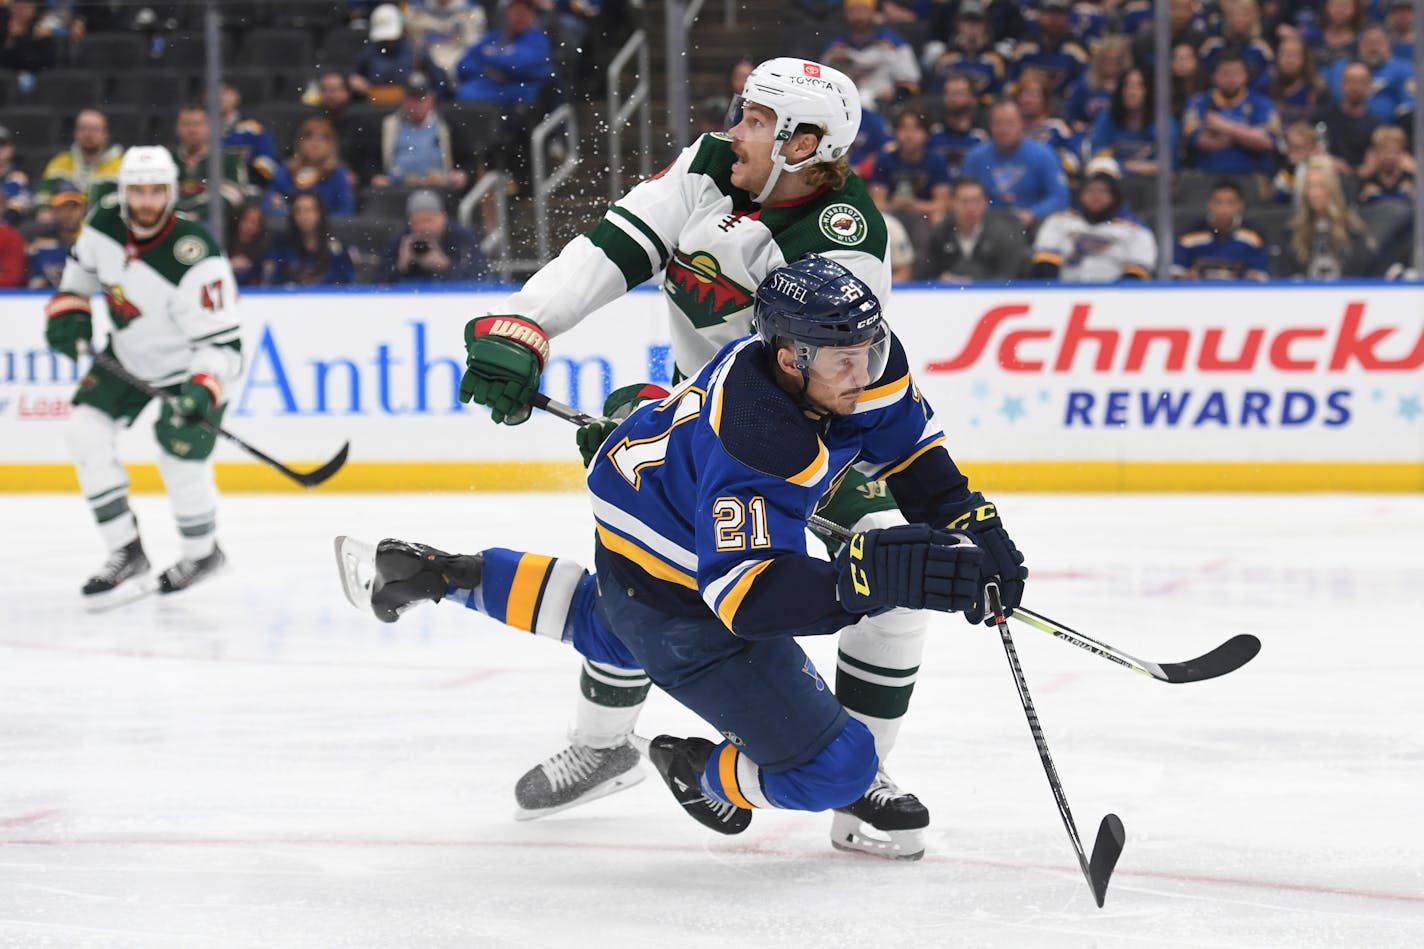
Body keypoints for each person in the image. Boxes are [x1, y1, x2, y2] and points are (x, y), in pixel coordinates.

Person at [450, 58, 982, 859]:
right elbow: (615, 241)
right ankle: (602, 747)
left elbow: (816, 385)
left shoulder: (847, 237)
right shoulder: (708, 168)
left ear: (806, 144)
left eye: (758, 121)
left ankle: (860, 781)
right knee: (647, 575)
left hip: (804, 446)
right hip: (695, 427)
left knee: (893, 596)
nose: (735, 128)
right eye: (743, 112)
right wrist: (527, 323)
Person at [358, 255, 1026, 852]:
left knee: (614, 620)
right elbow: (747, 601)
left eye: (871, 350)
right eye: (843, 361)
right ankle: (700, 773)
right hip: (675, 586)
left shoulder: (850, 360)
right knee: (835, 767)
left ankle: (453, 574)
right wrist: (864, 576)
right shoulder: (758, 439)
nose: (865, 373)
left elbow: (908, 449)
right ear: (790, 358)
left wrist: (973, 519)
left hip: (640, 532)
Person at [42, 147, 243, 608]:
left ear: (171, 193)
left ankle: (203, 553)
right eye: (137, 190)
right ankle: (125, 550)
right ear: (124, 191)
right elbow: (78, 281)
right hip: (128, 358)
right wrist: (68, 313)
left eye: (156, 191)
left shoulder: (197, 256)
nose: (146, 201)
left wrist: (202, 390)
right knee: (83, 433)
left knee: (178, 458)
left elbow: (224, 346)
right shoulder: (103, 224)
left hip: (194, 367)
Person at [1031, 166, 1156, 281]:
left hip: (1114, 294)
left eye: (1102, 191)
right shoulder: (1059, 222)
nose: (1095, 196)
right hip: (1065, 291)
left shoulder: (1135, 231)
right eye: (1090, 191)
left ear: (1115, 196)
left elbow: (1137, 273)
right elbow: (1045, 266)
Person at [959, 100, 1070, 229]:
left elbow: (1060, 196)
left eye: (1010, 123)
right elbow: (962, 194)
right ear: (990, 126)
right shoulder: (975, 157)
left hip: (1032, 226)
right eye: (998, 124)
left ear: (1021, 124)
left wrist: (1032, 214)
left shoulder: (1043, 154)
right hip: (985, 226)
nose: (1004, 130)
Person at [1181, 51, 1281, 190]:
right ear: (1213, 76)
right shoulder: (1197, 103)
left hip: (1252, 178)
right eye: (1225, 73)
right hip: (1206, 177)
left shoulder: (1263, 103)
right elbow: (1201, 141)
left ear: (1246, 75)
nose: (1231, 78)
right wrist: (1248, 134)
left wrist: (1224, 127)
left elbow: (1266, 142)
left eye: (1236, 73)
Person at [1276, 154, 1377, 278]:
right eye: (1310, 187)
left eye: (1320, 186)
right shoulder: (1292, 232)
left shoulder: (1352, 230)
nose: (1314, 194)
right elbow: (1284, 273)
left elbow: (1365, 270)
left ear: (1332, 189)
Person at [371, 72, 471, 190]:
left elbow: (467, 159)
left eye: (421, 98)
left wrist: (462, 174)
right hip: (397, 189)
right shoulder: (387, 126)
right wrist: (375, 176)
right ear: (403, 99)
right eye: (411, 97)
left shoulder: (447, 125)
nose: (416, 103)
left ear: (431, 100)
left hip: (438, 188)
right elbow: (371, 159)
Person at [922, 175, 1031, 282]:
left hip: (992, 294)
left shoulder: (1003, 233)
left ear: (985, 202)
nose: (971, 207)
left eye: (976, 201)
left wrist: (975, 283)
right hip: (948, 295)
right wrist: (940, 280)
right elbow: (928, 272)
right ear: (952, 203)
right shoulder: (941, 233)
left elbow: (1010, 274)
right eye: (965, 201)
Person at [822, 0, 922, 112]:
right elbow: (822, 81)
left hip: (884, 106)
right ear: (846, 14)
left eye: (864, 10)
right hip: (846, 106)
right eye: (854, 10)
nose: (859, 16)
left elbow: (910, 80)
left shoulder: (892, 42)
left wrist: (896, 95)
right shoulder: (837, 46)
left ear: (874, 12)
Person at [454, 0, 554, 110]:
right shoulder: (493, 37)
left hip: (519, 95)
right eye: (516, 10)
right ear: (506, 12)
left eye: (527, 10)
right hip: (486, 89)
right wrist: (486, 71)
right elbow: (463, 66)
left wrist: (489, 59)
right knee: (465, 93)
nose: (521, 15)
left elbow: (521, 66)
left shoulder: (538, 39)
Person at [378, 188, 486, 282]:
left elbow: (481, 274)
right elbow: (377, 280)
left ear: (443, 217)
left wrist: (446, 266)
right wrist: (400, 267)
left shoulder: (461, 235)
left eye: (428, 220)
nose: (423, 227)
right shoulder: (404, 239)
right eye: (417, 223)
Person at [1172, 179, 1270, 281]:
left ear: (1241, 205)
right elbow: (1175, 273)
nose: (1224, 209)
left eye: (1231, 203)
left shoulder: (1254, 237)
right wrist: (1186, 277)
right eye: (1218, 202)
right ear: (1209, 204)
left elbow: (1260, 278)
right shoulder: (1189, 235)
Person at [172, 102, 249, 221]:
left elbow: (235, 196)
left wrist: (199, 214)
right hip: (170, 222)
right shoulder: (166, 159)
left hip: (212, 223)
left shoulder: (227, 159)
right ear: (177, 127)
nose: (192, 129)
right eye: (186, 124)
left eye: (198, 124)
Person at [266, 117, 356, 219]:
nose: (315, 144)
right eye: (309, 138)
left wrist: (318, 222)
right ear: (300, 143)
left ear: (330, 145)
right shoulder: (286, 170)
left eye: (322, 139)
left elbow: (345, 211)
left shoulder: (337, 174)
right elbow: (269, 203)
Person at [262, 192, 357, 286]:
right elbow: (271, 281)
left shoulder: (338, 247)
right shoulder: (281, 245)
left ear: (319, 213)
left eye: (309, 210)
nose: (304, 216)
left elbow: (349, 283)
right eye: (298, 211)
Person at [38, 109, 123, 210]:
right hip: (65, 224)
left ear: (106, 134)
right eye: (83, 128)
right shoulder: (59, 163)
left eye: (94, 129)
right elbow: (42, 201)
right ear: (75, 133)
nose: (88, 134)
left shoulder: (121, 166)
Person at [1311, 61, 1384, 176]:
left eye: (1361, 82)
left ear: (1369, 86)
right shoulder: (1321, 117)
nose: (1355, 87)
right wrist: (1329, 161)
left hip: (1361, 182)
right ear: (1342, 84)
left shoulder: (1376, 127)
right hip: (1327, 177)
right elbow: (1309, 147)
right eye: (1351, 81)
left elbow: (1372, 163)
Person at [25, 179, 85, 289]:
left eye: (74, 207)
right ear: (53, 211)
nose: (68, 213)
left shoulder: (92, 238)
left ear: (83, 209)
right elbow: (33, 285)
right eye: (62, 208)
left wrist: (59, 245)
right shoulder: (39, 240)